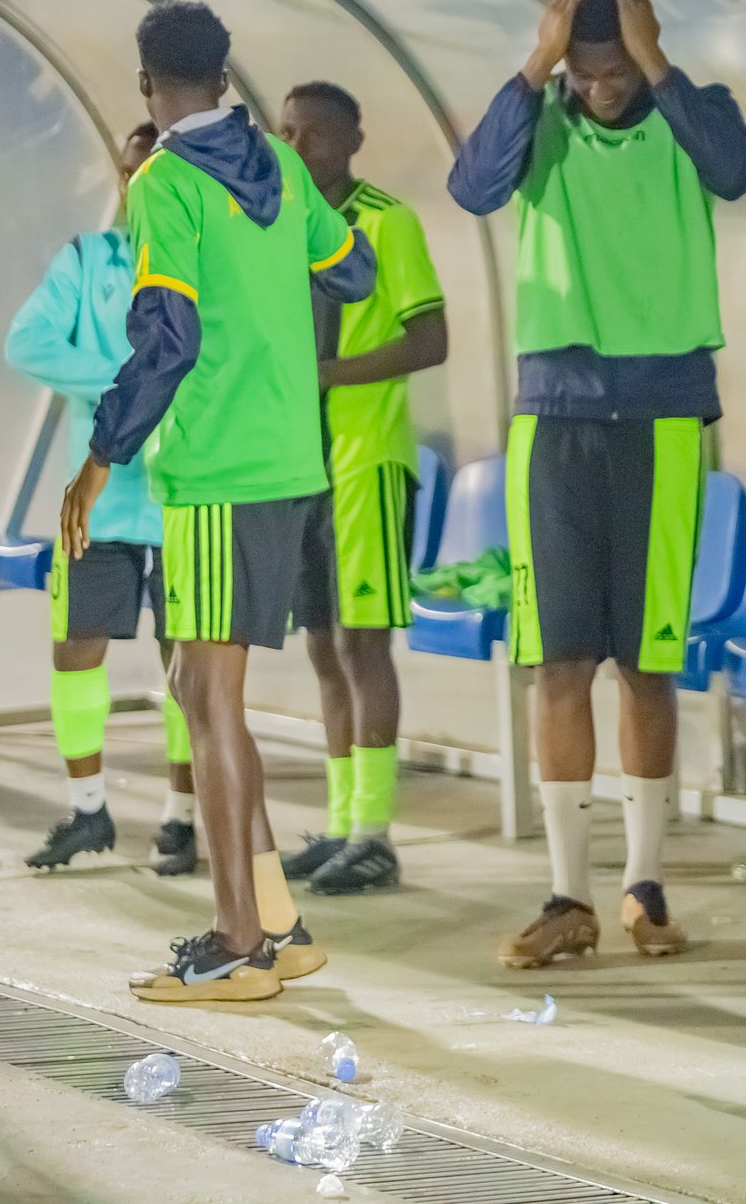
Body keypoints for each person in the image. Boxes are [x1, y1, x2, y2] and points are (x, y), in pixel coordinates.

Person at [63, 0, 375, 1002]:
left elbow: (169, 337)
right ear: (227, 78)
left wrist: (101, 455)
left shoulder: (164, 183)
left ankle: (238, 941)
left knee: (207, 697)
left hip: (214, 471)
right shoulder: (278, 163)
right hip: (290, 461)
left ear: (146, 85)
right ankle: (277, 921)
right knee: (203, 693)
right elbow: (354, 271)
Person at [450, 0, 746, 968]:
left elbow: (736, 170)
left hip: (663, 412)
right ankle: (565, 895)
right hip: (555, 413)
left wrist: (657, 60)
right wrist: (535, 63)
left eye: (615, 68)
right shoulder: (535, 118)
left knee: (647, 660)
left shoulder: (689, 110)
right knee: (557, 661)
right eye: (582, 72)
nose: (599, 88)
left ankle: (644, 885)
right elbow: (472, 188)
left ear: (643, 48)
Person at [6, 122, 198, 876]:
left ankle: (181, 819)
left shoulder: (206, 261)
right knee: (75, 648)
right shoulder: (88, 260)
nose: (137, 182)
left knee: (188, 660)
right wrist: (128, 384)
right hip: (102, 500)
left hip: (187, 495)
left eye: (153, 169)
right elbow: (26, 341)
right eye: (129, 169)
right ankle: (88, 811)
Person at [278, 80, 448, 896]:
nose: (297, 146)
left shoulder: (386, 222)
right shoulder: (282, 226)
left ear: (352, 140)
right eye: (286, 132)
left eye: (312, 133)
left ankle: (376, 834)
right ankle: (344, 822)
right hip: (299, 464)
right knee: (321, 644)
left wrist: (331, 375)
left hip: (366, 462)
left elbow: (431, 339)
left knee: (361, 644)